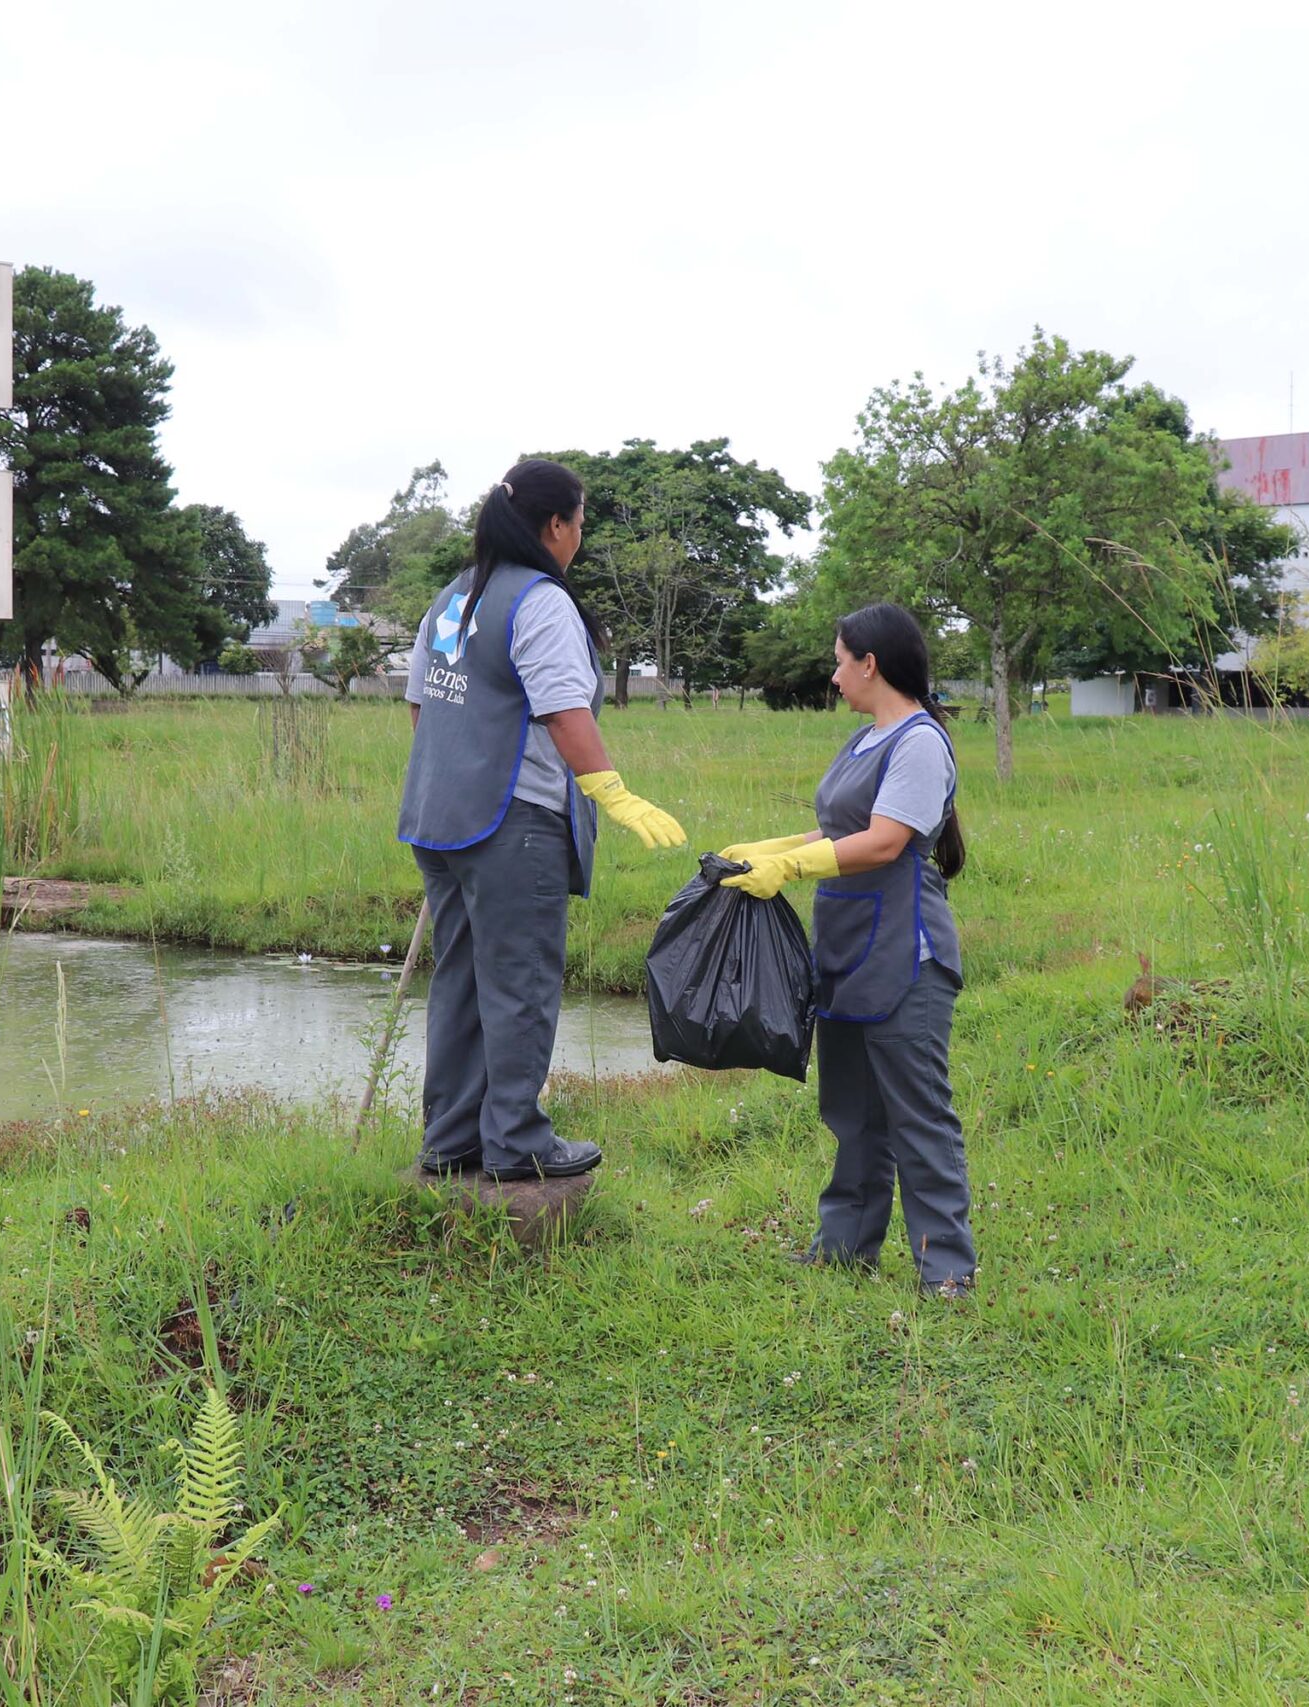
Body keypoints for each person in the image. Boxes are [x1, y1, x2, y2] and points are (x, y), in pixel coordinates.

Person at [397, 458, 687, 1182]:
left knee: (460, 979)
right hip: (511, 823)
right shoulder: (540, 601)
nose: (579, 539)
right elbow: (563, 711)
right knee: (520, 981)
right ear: (554, 526)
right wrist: (614, 794)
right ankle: (518, 1140)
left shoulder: (451, 598)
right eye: (579, 525)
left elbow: (418, 707)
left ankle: (450, 1138)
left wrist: (456, 772)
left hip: (440, 821)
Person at [716, 603, 976, 1296]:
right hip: (848, 949)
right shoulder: (866, 738)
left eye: (839, 660)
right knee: (853, 1112)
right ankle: (845, 1249)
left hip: (905, 954)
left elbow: (887, 840)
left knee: (918, 1114)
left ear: (871, 663)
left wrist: (795, 870)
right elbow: (837, 827)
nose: (832, 675)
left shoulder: (919, 741)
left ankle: (946, 1270)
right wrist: (769, 848)